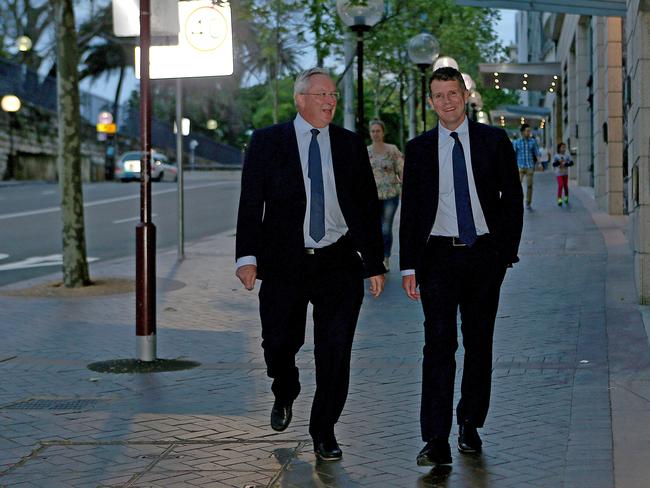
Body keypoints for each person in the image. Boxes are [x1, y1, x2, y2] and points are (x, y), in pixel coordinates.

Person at [235, 67, 386, 463]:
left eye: (333, 95)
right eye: (321, 95)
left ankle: (324, 430)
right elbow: (251, 203)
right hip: (285, 263)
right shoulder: (268, 142)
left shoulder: (350, 145)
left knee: (335, 352)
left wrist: (374, 263)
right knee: (278, 343)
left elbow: (368, 207)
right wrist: (247, 258)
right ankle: (285, 387)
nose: (329, 101)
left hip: (338, 261)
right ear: (300, 100)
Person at [399, 67, 523, 468]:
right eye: (439, 95)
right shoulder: (418, 149)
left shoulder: (493, 140)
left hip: (484, 256)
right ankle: (435, 439)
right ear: (431, 101)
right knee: (438, 346)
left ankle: (470, 422)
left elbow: (512, 198)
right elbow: (412, 211)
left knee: (479, 342)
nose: (447, 101)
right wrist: (408, 266)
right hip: (437, 258)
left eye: (453, 93)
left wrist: (505, 253)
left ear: (465, 95)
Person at [367, 120, 404, 272]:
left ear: (383, 132)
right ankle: (374, 257)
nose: (375, 134)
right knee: (373, 228)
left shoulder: (392, 149)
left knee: (386, 228)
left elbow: (401, 169)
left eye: (378, 131)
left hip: (390, 195)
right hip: (371, 196)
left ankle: (385, 257)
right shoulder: (366, 151)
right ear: (370, 133)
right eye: (373, 131)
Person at [512, 123, 540, 209]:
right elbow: (513, 155)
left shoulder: (533, 141)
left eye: (530, 131)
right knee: (517, 185)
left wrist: (540, 163)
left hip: (530, 166)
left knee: (529, 185)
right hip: (520, 166)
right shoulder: (516, 142)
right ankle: (518, 200)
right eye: (527, 131)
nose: (529, 133)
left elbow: (536, 153)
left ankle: (528, 202)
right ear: (522, 132)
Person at [552, 142, 574, 206]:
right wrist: (559, 162)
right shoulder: (556, 156)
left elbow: (572, 163)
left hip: (565, 174)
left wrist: (566, 164)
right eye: (562, 147)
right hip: (559, 174)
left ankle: (566, 197)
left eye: (565, 147)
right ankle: (559, 199)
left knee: (565, 186)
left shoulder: (567, 155)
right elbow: (554, 164)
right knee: (560, 185)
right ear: (559, 148)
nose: (564, 149)